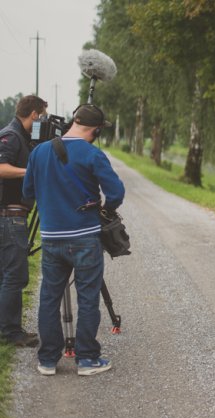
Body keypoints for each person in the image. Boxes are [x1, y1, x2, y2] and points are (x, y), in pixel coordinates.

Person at [23, 104, 125, 376]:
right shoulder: (93, 153)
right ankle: (87, 359)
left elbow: (28, 192)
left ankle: (47, 360)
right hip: (84, 237)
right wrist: (106, 209)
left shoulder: (39, 152)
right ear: (95, 130)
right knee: (88, 298)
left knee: (49, 298)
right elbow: (116, 192)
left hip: (52, 238)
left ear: (73, 121)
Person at [0, 95, 48, 348]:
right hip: (10, 217)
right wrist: (31, 171)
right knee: (14, 277)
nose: (43, 120)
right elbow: (1, 167)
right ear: (34, 114)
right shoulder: (11, 135)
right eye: (43, 115)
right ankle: (11, 332)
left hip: (13, 215)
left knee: (6, 275)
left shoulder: (23, 138)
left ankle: (6, 328)